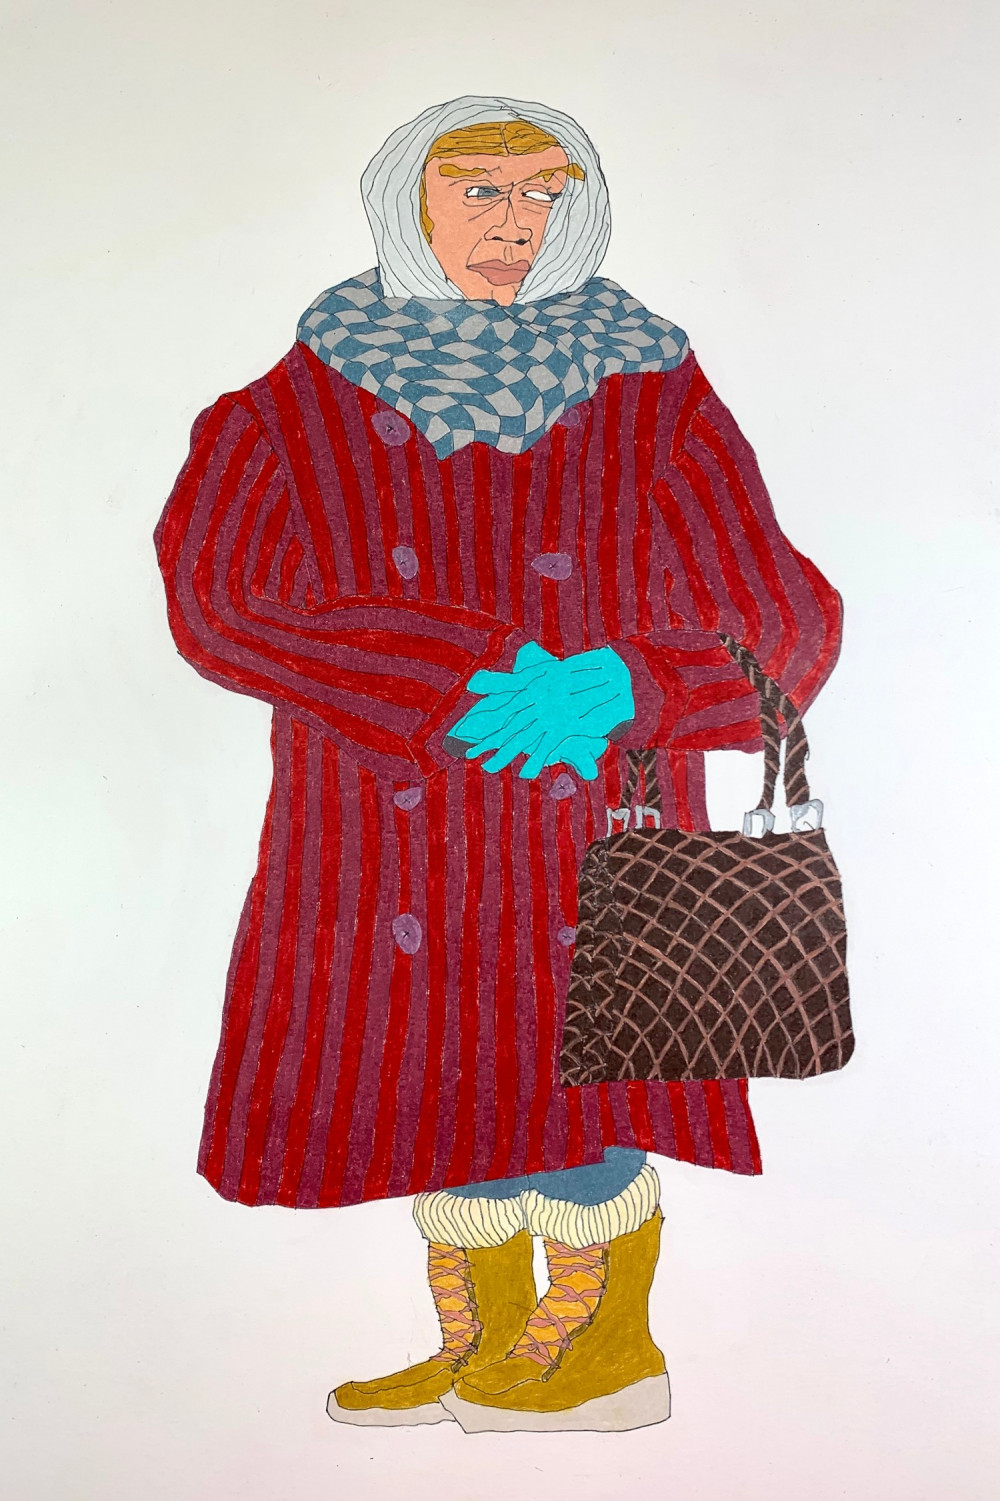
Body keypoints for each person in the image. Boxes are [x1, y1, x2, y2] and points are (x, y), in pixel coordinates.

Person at [155, 95, 841, 1433]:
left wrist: (625, 684)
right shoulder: (291, 405)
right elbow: (221, 600)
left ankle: (604, 1349)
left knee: (582, 1076)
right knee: (431, 1076)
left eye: (542, 194)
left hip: (601, 813)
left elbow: (785, 616)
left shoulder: (654, 390)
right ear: (405, 202)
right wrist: (446, 681)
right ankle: (481, 1346)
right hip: (383, 819)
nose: (514, 224)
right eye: (479, 191)